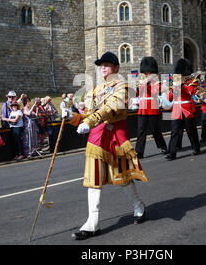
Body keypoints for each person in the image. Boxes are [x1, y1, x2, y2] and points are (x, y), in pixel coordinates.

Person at [62, 51, 148, 240]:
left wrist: (90, 121)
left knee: (123, 177)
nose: (103, 68)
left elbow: (111, 109)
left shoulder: (123, 87)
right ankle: (92, 224)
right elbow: (88, 115)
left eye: (107, 65)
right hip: (96, 139)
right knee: (92, 181)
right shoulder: (95, 90)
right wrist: (73, 117)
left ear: (116, 68)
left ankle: (138, 205)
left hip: (114, 138)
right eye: (101, 65)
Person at [165, 59, 200, 161]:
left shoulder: (192, 81)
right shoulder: (175, 83)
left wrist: (182, 86)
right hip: (176, 109)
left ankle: (196, 148)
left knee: (191, 131)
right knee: (174, 132)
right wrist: (174, 88)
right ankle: (172, 153)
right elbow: (170, 98)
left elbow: (191, 92)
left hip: (186, 109)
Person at [135, 57, 168, 159]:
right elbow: (137, 93)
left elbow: (157, 91)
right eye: (146, 72)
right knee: (141, 131)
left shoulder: (156, 81)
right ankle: (139, 151)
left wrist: (148, 83)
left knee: (155, 130)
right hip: (142, 108)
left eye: (148, 72)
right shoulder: (141, 80)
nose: (147, 74)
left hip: (152, 107)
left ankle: (163, 147)